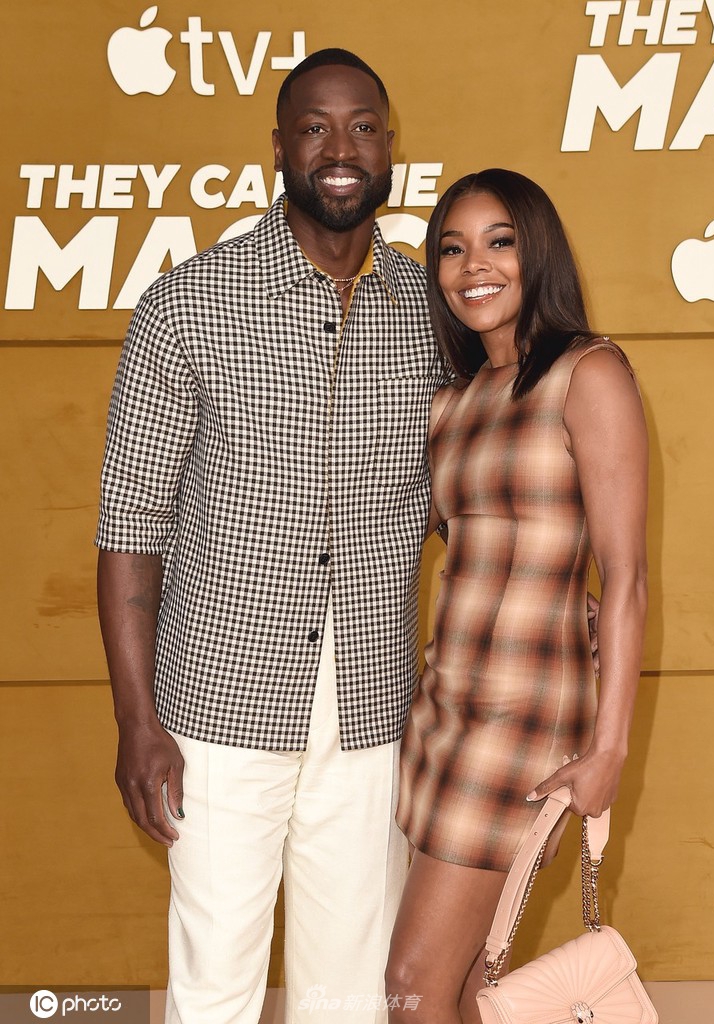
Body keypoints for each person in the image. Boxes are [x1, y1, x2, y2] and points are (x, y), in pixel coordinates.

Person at [95, 49, 446, 1024]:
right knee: (216, 984)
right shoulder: (187, 305)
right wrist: (136, 720)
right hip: (217, 706)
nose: (340, 149)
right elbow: (130, 525)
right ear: (279, 149)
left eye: (362, 127)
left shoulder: (427, 311)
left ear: (390, 148)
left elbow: (477, 479)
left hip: (372, 709)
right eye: (314, 128)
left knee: (349, 991)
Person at [386, 169, 648, 1024]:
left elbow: (627, 576)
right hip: (443, 709)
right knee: (467, 985)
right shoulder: (451, 402)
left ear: (537, 252)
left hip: (525, 722)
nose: (474, 267)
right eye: (452, 249)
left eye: (499, 242)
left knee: (411, 984)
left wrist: (610, 748)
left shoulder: (588, 374)